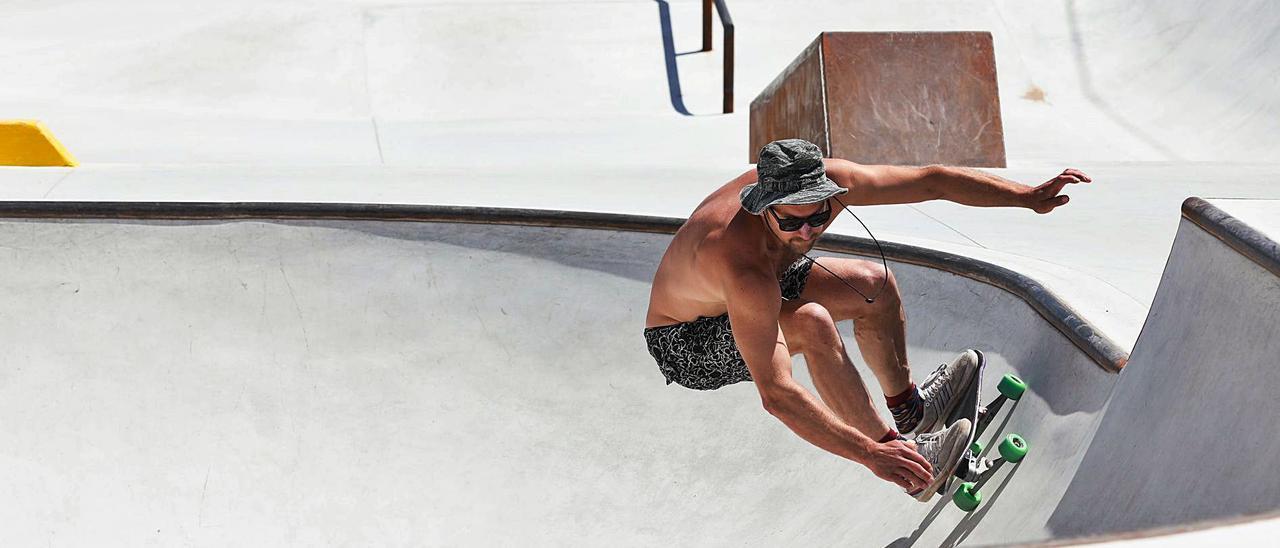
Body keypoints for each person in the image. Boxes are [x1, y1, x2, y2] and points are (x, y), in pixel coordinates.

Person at [642, 138, 1090, 500]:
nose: (806, 232)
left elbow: (931, 180)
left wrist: (1026, 197)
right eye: (790, 222)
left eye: (817, 217)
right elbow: (776, 394)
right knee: (813, 322)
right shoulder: (742, 268)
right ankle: (903, 453)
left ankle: (911, 411)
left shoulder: (836, 183)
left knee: (874, 285)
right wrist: (870, 455)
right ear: (764, 208)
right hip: (685, 341)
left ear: (828, 193)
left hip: (757, 283)